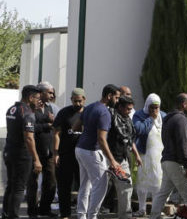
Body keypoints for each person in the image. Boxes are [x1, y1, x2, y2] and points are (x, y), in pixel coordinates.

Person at [149, 93, 187, 219]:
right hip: (178, 162)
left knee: (162, 194)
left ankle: (154, 216)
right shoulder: (181, 119)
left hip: (167, 161)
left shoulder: (168, 119)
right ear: (184, 104)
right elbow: (183, 143)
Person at [75, 84, 122, 219]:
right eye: (117, 98)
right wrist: (112, 160)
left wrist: (88, 131)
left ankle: (81, 215)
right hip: (91, 151)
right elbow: (102, 140)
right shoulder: (104, 112)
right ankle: (92, 216)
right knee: (100, 186)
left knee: (85, 185)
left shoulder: (89, 107)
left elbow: (76, 126)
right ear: (109, 96)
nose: (117, 101)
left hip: (80, 149)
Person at [2, 85, 43, 219]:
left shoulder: (12, 109)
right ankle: (13, 215)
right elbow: (29, 139)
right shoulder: (27, 113)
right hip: (22, 155)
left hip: (9, 151)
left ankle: (6, 213)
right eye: (37, 98)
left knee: (11, 185)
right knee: (19, 187)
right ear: (30, 98)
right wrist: (36, 159)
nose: (39, 101)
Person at [107, 95, 142, 219]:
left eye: (131, 109)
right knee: (100, 189)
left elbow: (129, 139)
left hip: (123, 160)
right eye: (127, 109)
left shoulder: (127, 120)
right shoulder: (110, 117)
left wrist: (136, 155)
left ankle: (125, 216)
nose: (129, 112)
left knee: (126, 187)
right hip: (108, 159)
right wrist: (110, 160)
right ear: (120, 107)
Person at [53, 88, 86, 219]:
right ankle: (65, 213)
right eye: (75, 101)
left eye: (80, 101)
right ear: (71, 100)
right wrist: (56, 153)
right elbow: (56, 133)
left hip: (83, 156)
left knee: (84, 186)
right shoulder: (64, 112)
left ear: (84, 99)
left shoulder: (88, 112)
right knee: (64, 186)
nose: (77, 104)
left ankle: (83, 213)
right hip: (66, 154)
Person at [133, 93, 167, 217]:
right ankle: (142, 209)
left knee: (158, 180)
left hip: (159, 155)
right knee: (143, 181)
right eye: (151, 107)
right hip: (144, 153)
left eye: (156, 108)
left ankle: (156, 209)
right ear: (147, 106)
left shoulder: (163, 116)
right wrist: (150, 119)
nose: (154, 110)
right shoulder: (139, 115)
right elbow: (138, 130)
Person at [27, 81, 58, 218]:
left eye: (52, 93)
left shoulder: (50, 107)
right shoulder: (31, 107)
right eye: (49, 92)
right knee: (33, 182)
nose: (52, 95)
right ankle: (32, 211)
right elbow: (30, 129)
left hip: (49, 151)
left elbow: (55, 126)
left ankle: (44, 208)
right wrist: (47, 125)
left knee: (51, 180)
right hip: (35, 151)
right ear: (41, 92)